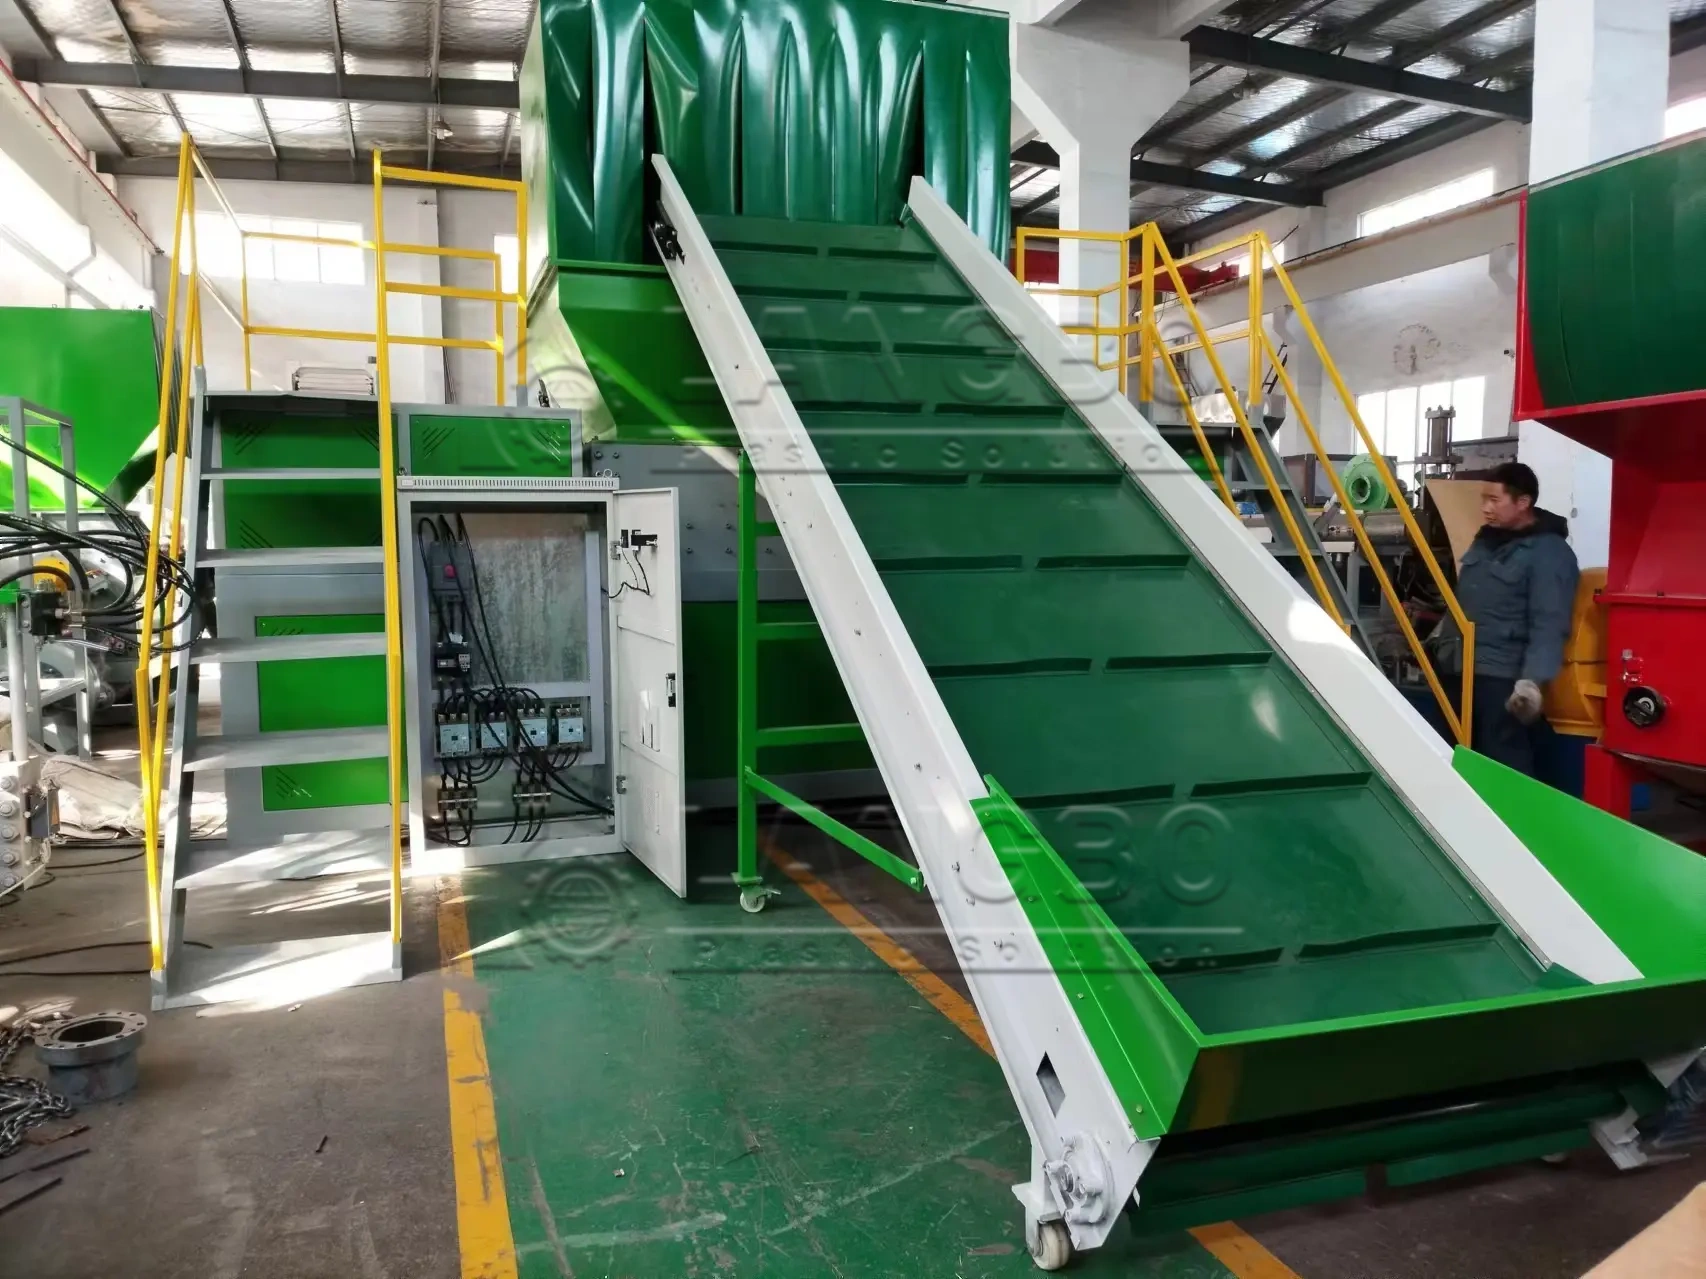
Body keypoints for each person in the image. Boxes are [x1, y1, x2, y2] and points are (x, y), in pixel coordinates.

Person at [1438, 461, 1579, 776]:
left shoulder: (1549, 553)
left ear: (1523, 502)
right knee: (1454, 759)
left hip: (1501, 677)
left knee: (1503, 762)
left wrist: (1531, 683)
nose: (1485, 508)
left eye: (1494, 500)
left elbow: (1549, 622)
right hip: (1460, 667)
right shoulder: (1487, 540)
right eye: (1483, 499)